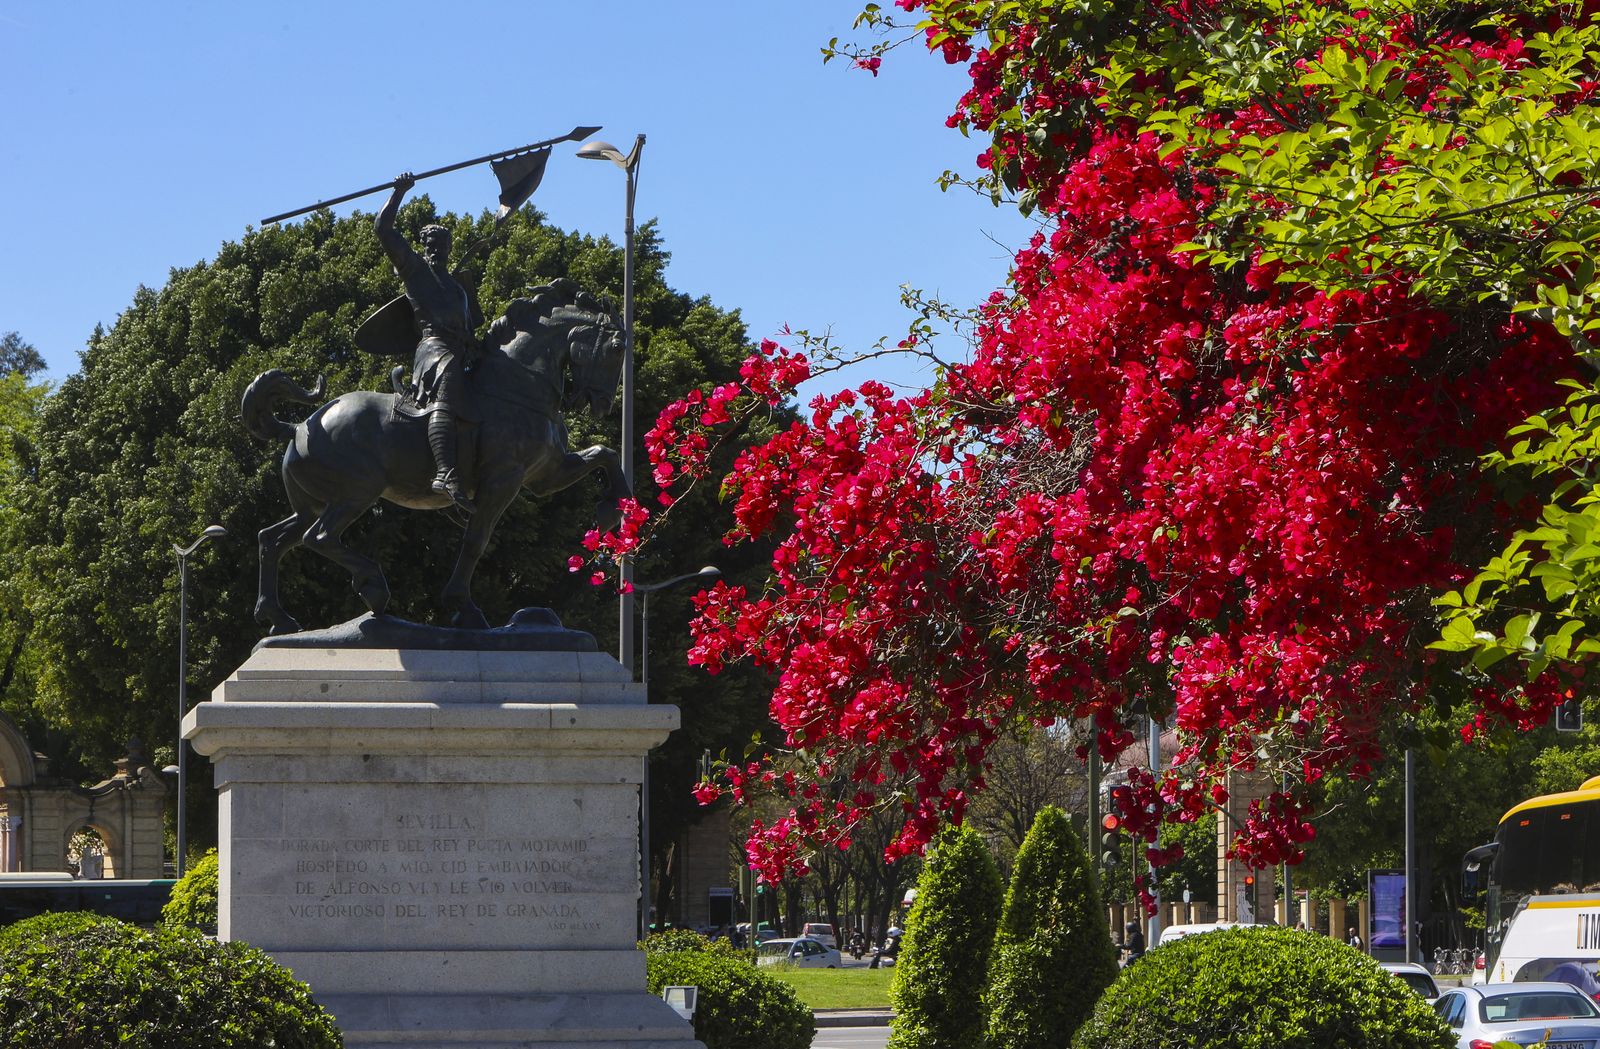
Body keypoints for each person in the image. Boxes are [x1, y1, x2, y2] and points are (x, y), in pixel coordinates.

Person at [375, 172, 481, 512]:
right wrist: (398, 193)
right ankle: (444, 472)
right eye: (431, 245)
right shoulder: (417, 271)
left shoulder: (458, 289)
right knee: (449, 373)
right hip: (434, 349)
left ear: (449, 249)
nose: (437, 250)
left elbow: (471, 328)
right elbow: (384, 230)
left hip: (462, 349)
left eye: (442, 245)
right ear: (424, 248)